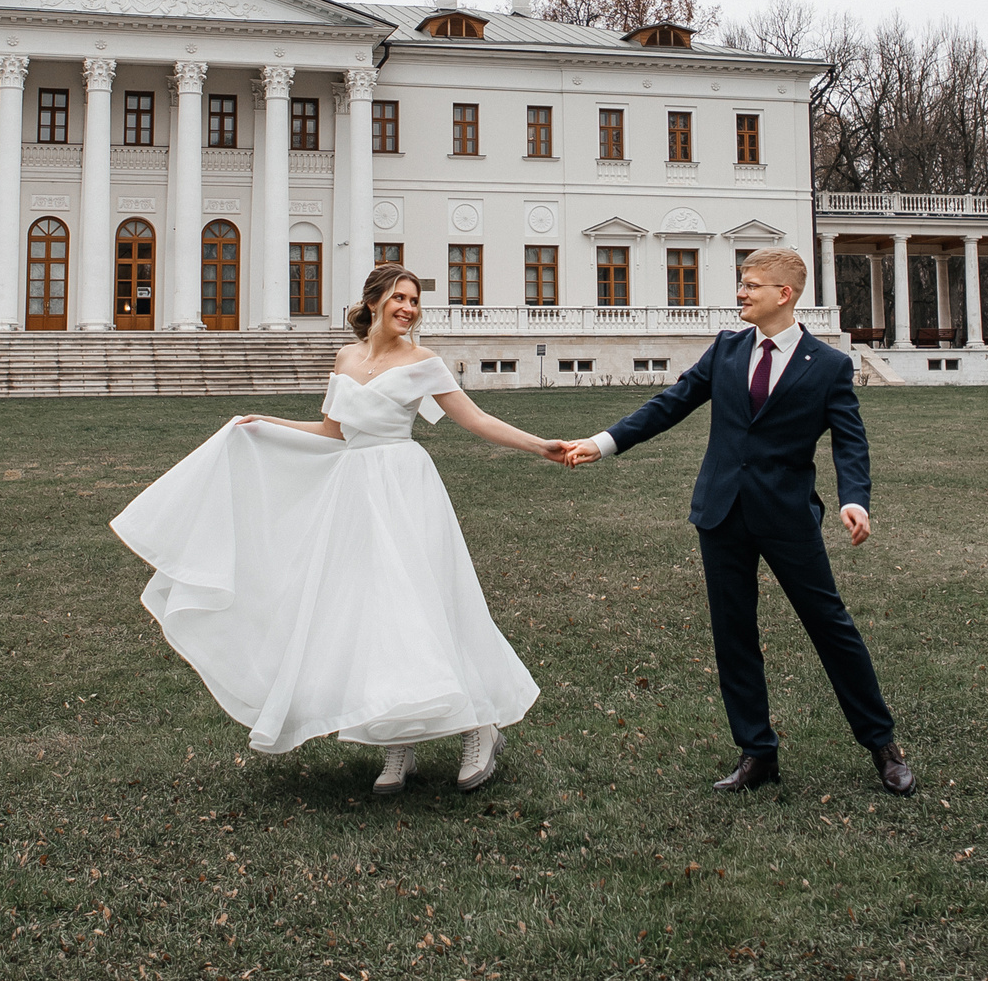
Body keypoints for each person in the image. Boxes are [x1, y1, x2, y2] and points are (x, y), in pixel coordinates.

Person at [112, 263, 571, 796]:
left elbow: (477, 421)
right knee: (371, 613)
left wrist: (542, 446)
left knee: (424, 604)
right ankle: (399, 742)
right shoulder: (346, 359)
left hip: (404, 488)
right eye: (400, 298)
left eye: (415, 301)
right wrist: (266, 426)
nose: (409, 309)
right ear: (374, 301)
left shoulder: (425, 363)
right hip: (353, 495)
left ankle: (480, 726)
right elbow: (332, 432)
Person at [561, 247, 913, 796]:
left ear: (784, 294)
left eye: (751, 285)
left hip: (787, 514)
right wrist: (603, 443)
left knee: (831, 628)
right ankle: (756, 752)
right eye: (742, 283)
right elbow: (670, 403)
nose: (741, 293)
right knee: (734, 634)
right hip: (721, 511)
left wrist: (856, 499)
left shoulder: (828, 365)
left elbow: (850, 440)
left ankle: (882, 745)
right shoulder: (725, 349)